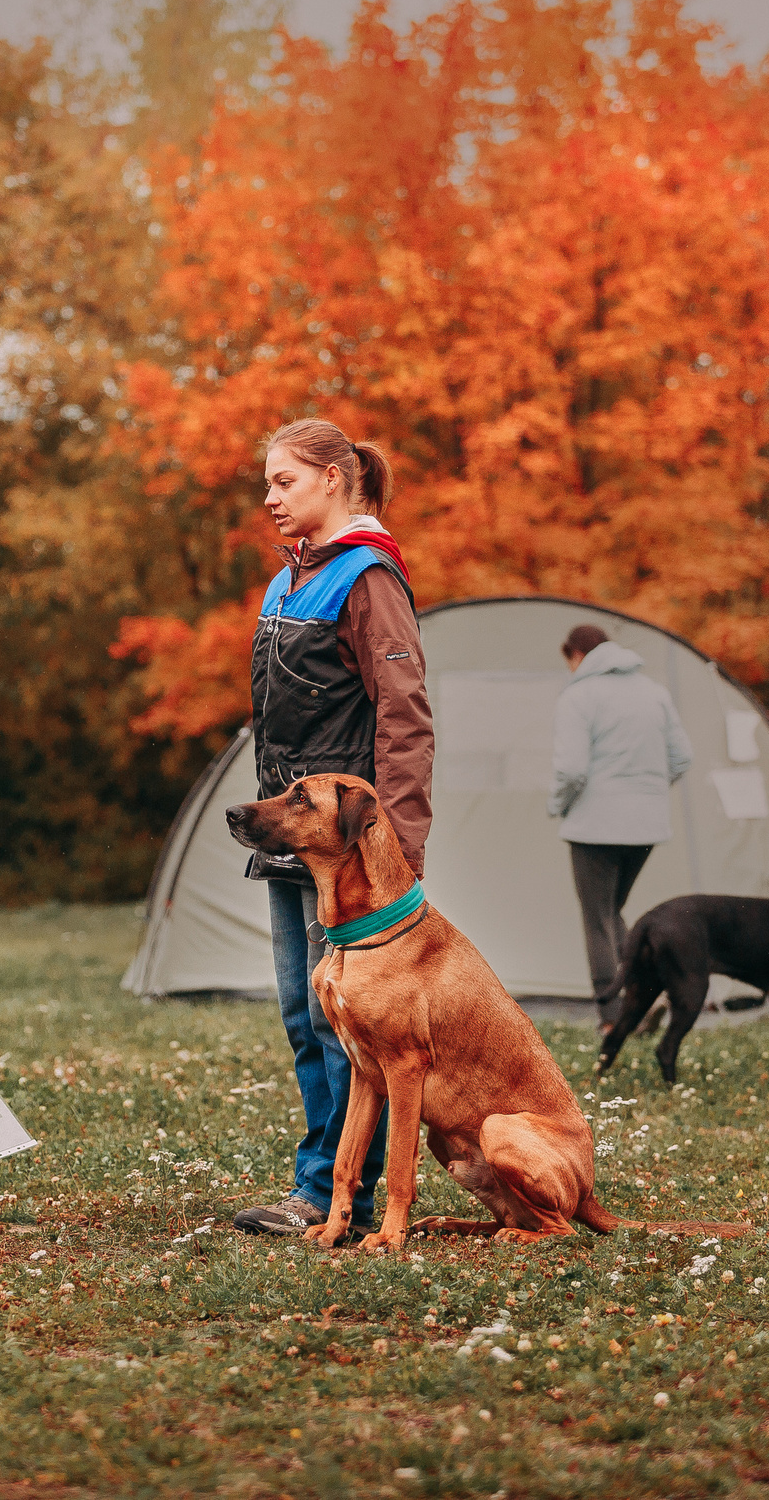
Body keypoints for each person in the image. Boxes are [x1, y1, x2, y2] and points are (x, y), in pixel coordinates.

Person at [230, 419, 434, 1240]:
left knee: (338, 1020)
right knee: (298, 1009)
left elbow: (406, 719)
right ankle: (322, 1179)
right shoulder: (291, 580)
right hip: (293, 837)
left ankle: (330, 1193)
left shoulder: (367, 577)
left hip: (350, 854)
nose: (271, 497)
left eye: (285, 480)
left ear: (334, 478)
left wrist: (402, 846)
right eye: (269, 482)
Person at [549, 623, 692, 1028]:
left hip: (594, 828)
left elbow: (572, 770)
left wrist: (557, 805)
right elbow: (681, 758)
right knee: (612, 912)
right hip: (646, 828)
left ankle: (613, 1017)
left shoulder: (578, 696)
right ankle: (646, 999)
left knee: (597, 918)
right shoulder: (654, 692)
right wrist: (644, 794)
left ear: (575, 654)